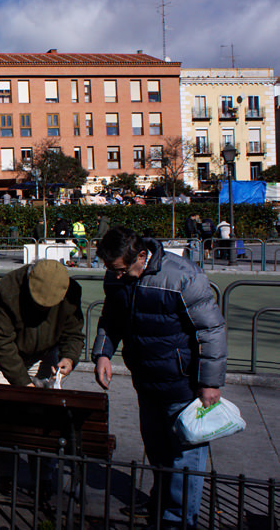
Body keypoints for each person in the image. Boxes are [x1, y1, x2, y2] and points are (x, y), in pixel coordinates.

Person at [92, 226, 227, 528]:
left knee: (185, 459)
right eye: (110, 269)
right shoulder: (117, 275)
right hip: (146, 381)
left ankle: (178, 519)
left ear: (141, 255)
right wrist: (103, 352)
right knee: (158, 452)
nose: (115, 276)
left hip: (184, 385)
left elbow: (211, 331)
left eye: (121, 270)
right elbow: (111, 318)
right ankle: (162, 503)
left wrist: (209, 383)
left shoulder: (183, 276)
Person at [0, 259, 83, 387]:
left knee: (40, 400)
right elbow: (1, 342)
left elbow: (72, 332)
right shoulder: (8, 289)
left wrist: (69, 357)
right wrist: (24, 383)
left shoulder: (71, 292)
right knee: (0, 399)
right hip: (2, 356)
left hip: (43, 353)